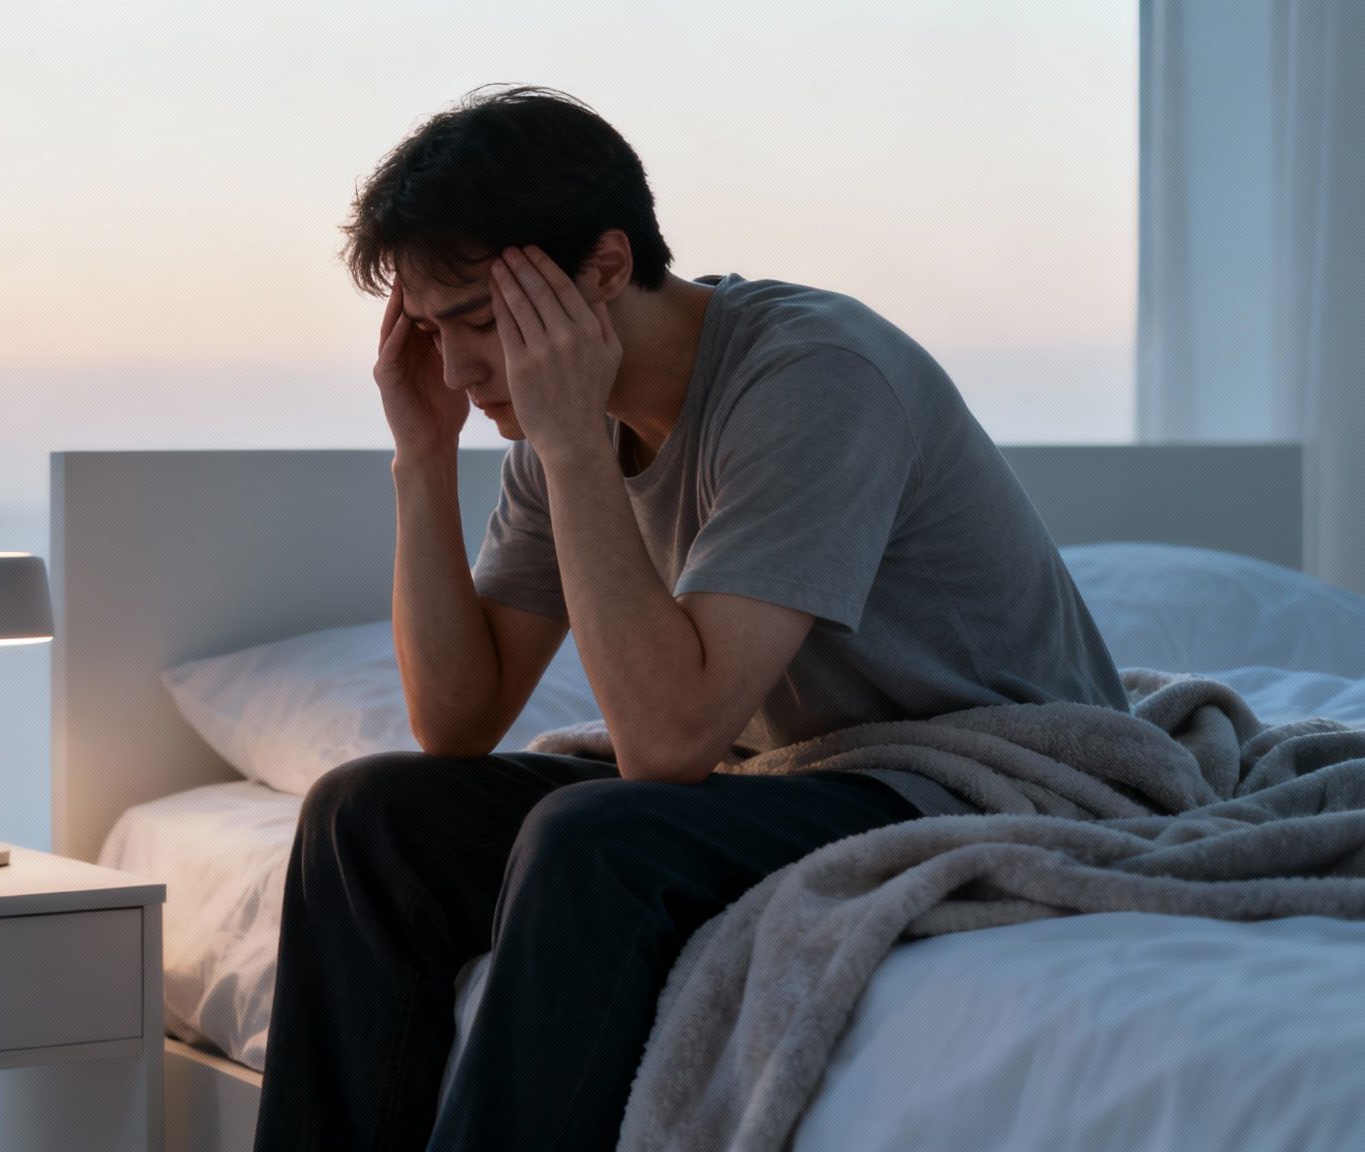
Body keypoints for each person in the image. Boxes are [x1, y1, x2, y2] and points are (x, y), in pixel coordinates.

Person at [249, 84, 1127, 1152]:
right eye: (431, 331)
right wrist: (422, 455)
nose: (459, 368)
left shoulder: (810, 377)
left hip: (976, 774)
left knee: (596, 837)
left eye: (480, 321)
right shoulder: (555, 420)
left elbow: (664, 747)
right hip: (806, 776)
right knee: (366, 815)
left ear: (606, 267)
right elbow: (456, 722)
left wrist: (570, 447)